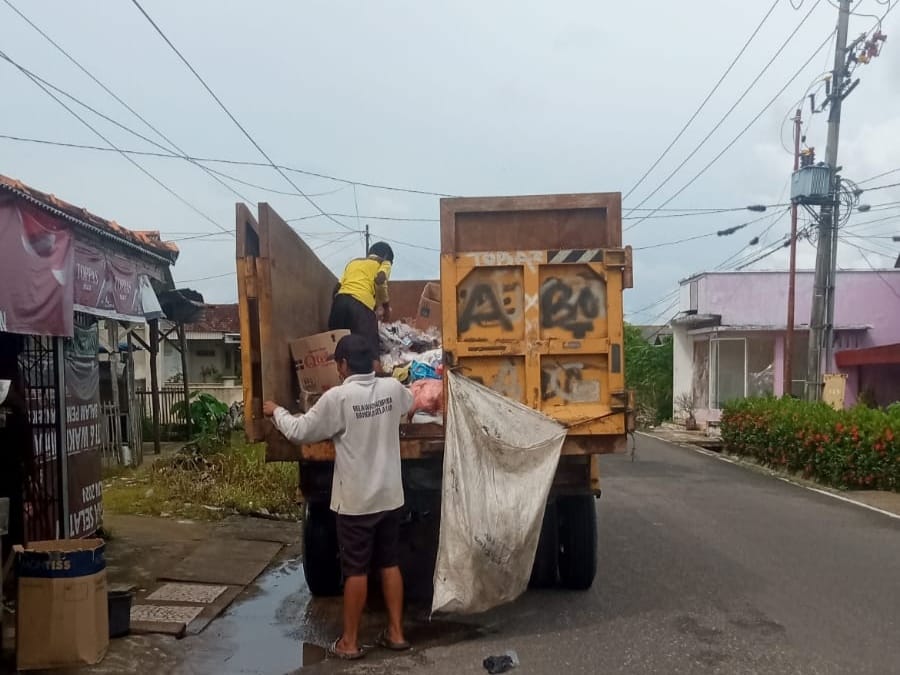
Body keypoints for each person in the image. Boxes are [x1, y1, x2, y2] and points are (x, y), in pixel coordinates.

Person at [263, 334, 414, 660]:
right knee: (390, 563)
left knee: (356, 570)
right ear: (372, 363)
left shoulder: (338, 399)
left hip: (356, 502)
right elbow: (410, 404)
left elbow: (300, 431)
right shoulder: (391, 390)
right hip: (389, 496)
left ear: (343, 365)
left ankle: (349, 641)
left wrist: (276, 411)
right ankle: (398, 633)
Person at [329, 242, 394, 360]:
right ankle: (379, 376)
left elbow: (336, 288)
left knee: (335, 347)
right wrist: (386, 308)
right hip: (360, 306)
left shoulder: (353, 263)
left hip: (339, 302)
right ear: (386, 256)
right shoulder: (383, 263)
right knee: (369, 351)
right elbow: (380, 280)